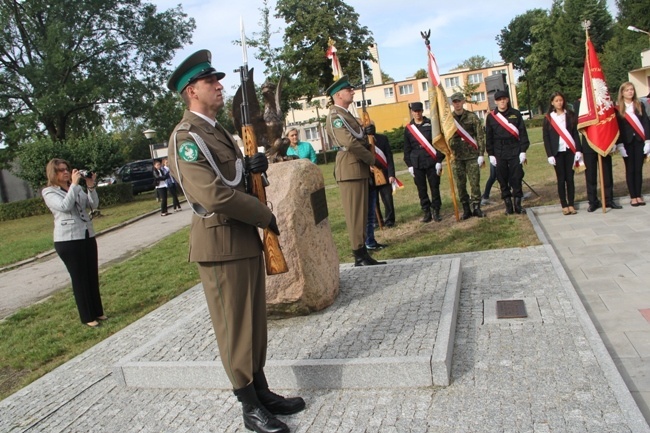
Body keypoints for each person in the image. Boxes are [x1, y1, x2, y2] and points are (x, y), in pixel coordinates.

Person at [166, 49, 304, 433]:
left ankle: (261, 391)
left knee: (255, 323)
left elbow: (230, 180)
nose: (220, 86)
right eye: (212, 82)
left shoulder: (214, 130)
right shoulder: (186, 138)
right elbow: (211, 196)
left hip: (240, 238)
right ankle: (248, 407)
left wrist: (250, 170)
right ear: (193, 90)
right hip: (220, 243)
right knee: (235, 327)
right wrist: (264, 215)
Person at [42, 159, 106, 328]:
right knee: (79, 278)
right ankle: (87, 316)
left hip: (86, 234)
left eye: (66, 169)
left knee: (91, 274)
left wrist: (90, 186)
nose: (65, 172)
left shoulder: (75, 188)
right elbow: (64, 206)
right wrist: (75, 185)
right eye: (61, 170)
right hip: (68, 240)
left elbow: (92, 204)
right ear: (53, 173)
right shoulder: (49, 192)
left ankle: (97, 311)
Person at [325, 75, 382, 266]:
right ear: (338, 94)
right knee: (355, 214)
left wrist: (368, 134)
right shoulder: (336, 117)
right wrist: (372, 159)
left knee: (363, 212)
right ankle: (358, 253)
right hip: (350, 168)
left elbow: (359, 138)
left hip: (358, 168)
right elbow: (349, 143)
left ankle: (363, 251)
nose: (352, 91)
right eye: (348, 89)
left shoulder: (346, 115)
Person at [485, 89, 530, 215]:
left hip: (515, 149)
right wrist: (491, 154)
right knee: (502, 178)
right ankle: (508, 205)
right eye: (499, 100)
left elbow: (523, 133)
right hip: (499, 151)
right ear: (495, 102)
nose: (502, 102)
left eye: (504, 99)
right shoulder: (491, 117)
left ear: (508, 100)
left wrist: (523, 151)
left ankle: (517, 204)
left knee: (517, 176)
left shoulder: (516, 114)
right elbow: (488, 137)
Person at [403, 101, 445, 222]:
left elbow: (439, 143)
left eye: (419, 111)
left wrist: (439, 160)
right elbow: (407, 148)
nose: (417, 113)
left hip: (431, 160)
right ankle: (426, 211)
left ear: (422, 111)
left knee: (434, 187)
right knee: (421, 189)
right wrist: (409, 165)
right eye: (415, 111)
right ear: (412, 112)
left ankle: (436, 210)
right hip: (417, 162)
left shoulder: (431, 124)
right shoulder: (409, 129)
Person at [542, 91, 583, 215]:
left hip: (569, 151)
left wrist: (578, 149)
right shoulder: (548, 118)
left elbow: (575, 133)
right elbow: (546, 137)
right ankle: (564, 204)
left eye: (561, 100)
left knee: (570, 178)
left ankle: (571, 203)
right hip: (557, 153)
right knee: (561, 179)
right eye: (556, 101)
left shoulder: (570, 115)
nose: (559, 103)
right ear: (552, 103)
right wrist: (549, 154)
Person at [449, 92, 486, 219]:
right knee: (460, 184)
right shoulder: (449, 120)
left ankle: (476, 207)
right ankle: (466, 209)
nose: (457, 104)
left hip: (471, 155)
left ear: (463, 101)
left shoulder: (472, 117)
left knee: (474, 182)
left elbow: (480, 136)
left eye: (459, 101)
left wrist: (481, 154)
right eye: (454, 102)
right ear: (452, 103)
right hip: (456, 157)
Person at [615, 81, 650, 206]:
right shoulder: (618, 108)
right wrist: (620, 145)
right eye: (627, 90)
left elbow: (646, 122)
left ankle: (638, 195)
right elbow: (617, 127)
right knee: (630, 169)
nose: (630, 92)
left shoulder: (639, 104)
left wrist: (648, 141)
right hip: (626, 143)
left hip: (639, 141)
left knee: (638, 169)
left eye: (632, 89)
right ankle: (633, 196)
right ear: (622, 93)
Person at [373, 130, 396, 227]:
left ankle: (389, 220)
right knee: (373, 200)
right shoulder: (362, 141)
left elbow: (389, 157)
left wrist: (391, 174)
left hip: (385, 173)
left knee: (387, 198)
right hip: (370, 175)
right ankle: (377, 221)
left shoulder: (383, 138)